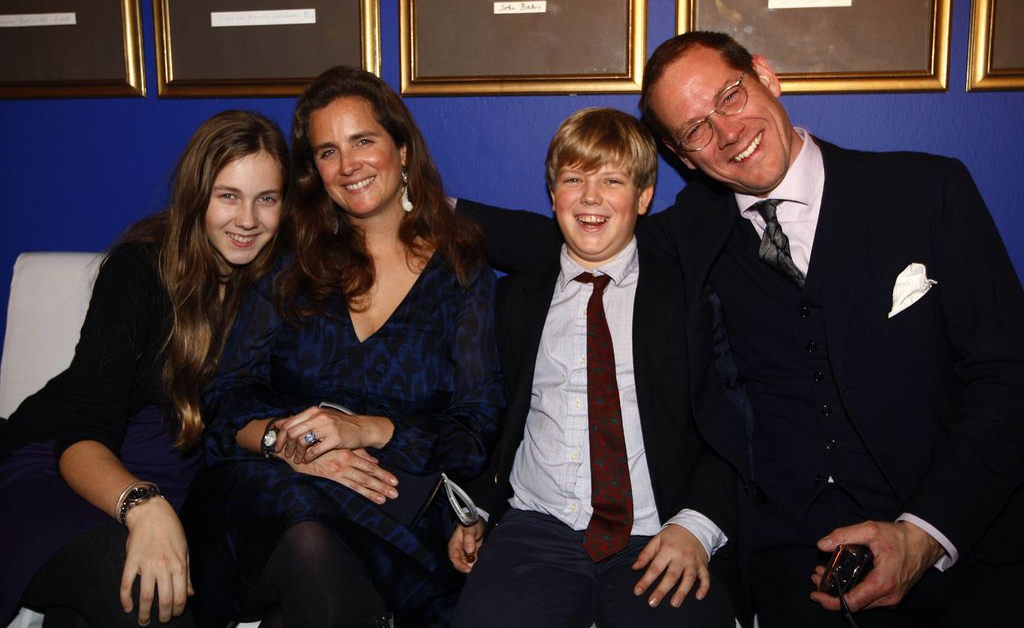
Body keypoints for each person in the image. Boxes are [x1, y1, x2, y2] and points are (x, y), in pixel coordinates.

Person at [458, 31, 1024, 627]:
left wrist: (923, 535)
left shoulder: (925, 191)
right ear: (683, 157)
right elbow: (571, 236)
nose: (727, 132)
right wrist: (416, 202)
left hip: (954, 534)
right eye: (696, 129)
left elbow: (1008, 380)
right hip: (791, 554)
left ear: (765, 75)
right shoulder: (694, 231)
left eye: (730, 96)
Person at [184, 66, 505, 628]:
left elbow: (475, 426)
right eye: (327, 151)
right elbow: (226, 396)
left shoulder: (460, 269)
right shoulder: (290, 261)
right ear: (315, 171)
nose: (348, 165)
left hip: (387, 497)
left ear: (402, 149)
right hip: (268, 486)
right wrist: (293, 446)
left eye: (363, 141)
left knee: (319, 557)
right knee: (303, 524)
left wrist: (369, 429)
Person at [0, 109, 291, 627]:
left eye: (265, 198)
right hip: (67, 475)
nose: (248, 219)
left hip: (175, 498)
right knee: (148, 598)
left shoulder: (278, 287)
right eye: (228, 195)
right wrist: (144, 506)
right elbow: (81, 432)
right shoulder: (141, 270)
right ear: (196, 194)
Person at [448, 108, 736, 628]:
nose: (590, 197)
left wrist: (697, 524)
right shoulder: (515, 298)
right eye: (574, 179)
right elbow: (495, 414)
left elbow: (732, 424)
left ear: (644, 198)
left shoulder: (687, 299)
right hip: (537, 527)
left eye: (612, 180)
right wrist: (480, 508)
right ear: (553, 194)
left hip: (657, 532)